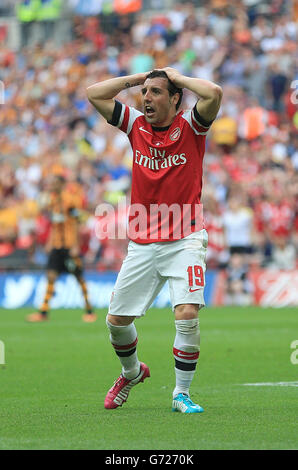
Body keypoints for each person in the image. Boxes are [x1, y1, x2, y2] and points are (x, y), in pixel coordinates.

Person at [87, 68, 222, 413]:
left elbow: (214, 93)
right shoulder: (135, 125)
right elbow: (95, 93)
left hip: (186, 237)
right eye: (145, 92)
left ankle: (181, 394)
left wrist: (178, 76)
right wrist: (136, 79)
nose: (147, 98)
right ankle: (131, 373)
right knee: (116, 321)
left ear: (175, 98)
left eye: (157, 92)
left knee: (187, 311)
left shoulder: (191, 126)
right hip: (143, 241)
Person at [26, 175, 97, 323]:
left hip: (69, 246)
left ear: (61, 184)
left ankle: (89, 311)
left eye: (54, 183)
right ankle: (43, 312)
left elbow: (77, 222)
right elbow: (54, 224)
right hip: (57, 246)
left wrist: (77, 245)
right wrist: (49, 243)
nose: (51, 186)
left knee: (79, 277)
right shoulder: (52, 202)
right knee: (51, 276)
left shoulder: (70, 201)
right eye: (51, 183)